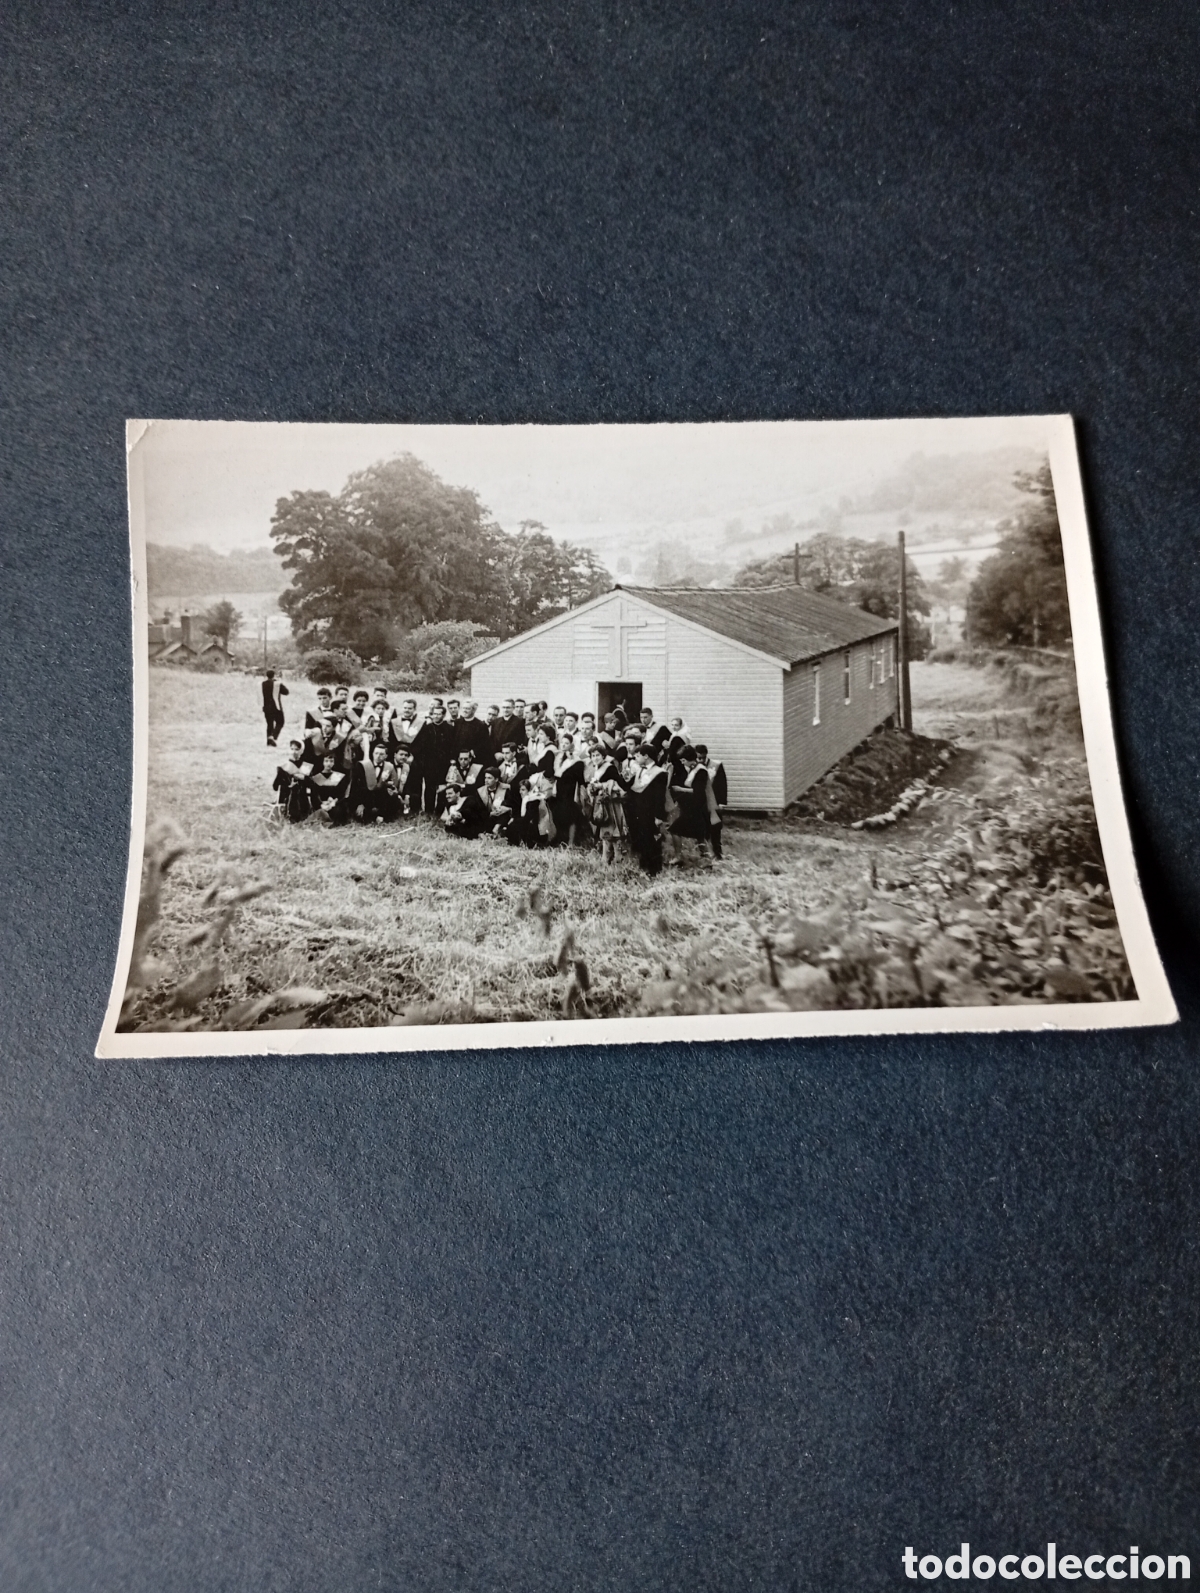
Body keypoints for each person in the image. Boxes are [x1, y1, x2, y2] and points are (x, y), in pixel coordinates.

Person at [625, 746, 668, 874]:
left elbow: (660, 797)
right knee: (641, 837)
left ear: (646, 756)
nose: (635, 758)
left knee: (651, 838)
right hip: (638, 810)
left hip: (650, 811)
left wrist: (659, 816)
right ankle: (643, 864)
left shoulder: (659, 773)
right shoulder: (639, 770)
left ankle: (654, 869)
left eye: (638, 756)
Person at [668, 745, 712, 863]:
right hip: (691, 807)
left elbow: (698, 791)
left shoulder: (701, 771)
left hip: (696, 808)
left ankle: (678, 857)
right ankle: (707, 859)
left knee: (675, 829)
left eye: (683, 760)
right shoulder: (693, 769)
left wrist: (680, 789)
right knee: (699, 834)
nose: (682, 763)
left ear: (689, 759)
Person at [410, 702, 453, 816]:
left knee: (442, 787)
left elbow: (452, 746)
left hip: (444, 763)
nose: (436, 716)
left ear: (443, 715)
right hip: (429, 763)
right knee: (430, 787)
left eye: (439, 714)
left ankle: (439, 811)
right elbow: (419, 745)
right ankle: (429, 810)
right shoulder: (426, 728)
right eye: (434, 714)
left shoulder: (449, 729)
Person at [694, 744, 725, 859]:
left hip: (714, 802)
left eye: (702, 758)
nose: (700, 760)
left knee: (715, 828)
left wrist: (721, 803)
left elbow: (722, 784)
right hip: (701, 802)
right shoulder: (694, 766)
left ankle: (717, 853)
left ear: (706, 755)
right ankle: (704, 853)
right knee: (702, 828)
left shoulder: (716, 765)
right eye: (697, 758)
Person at [271, 739, 312, 821]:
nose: (294, 752)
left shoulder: (306, 765)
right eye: (292, 749)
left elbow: (310, 784)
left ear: (301, 751)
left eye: (296, 749)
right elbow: (275, 787)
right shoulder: (284, 766)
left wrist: (303, 778)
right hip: (286, 797)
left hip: (301, 798)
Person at [310, 753, 349, 825]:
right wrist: (321, 804)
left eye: (331, 761)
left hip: (334, 804)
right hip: (322, 805)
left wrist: (334, 802)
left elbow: (341, 793)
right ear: (323, 762)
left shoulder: (338, 776)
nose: (329, 764)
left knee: (338, 811)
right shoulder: (316, 778)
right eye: (326, 761)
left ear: (334, 763)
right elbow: (314, 796)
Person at [453, 700, 493, 766]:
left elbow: (484, 744)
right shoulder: (457, 723)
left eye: (467, 708)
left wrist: (474, 751)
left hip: (473, 760)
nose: (465, 710)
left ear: (474, 710)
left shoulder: (481, 725)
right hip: (459, 760)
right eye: (463, 708)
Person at [261, 669, 288, 746]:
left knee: (269, 724)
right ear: (274, 675)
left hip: (266, 707)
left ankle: (269, 740)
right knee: (280, 722)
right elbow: (286, 692)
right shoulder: (277, 684)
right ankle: (273, 737)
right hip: (276, 707)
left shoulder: (263, 684)